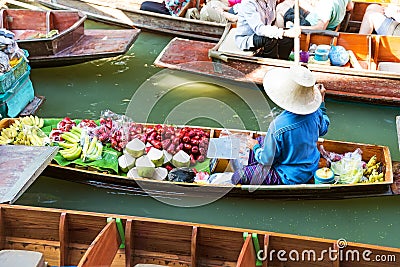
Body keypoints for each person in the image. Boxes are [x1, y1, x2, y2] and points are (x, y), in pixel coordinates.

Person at [231, 66, 330, 185]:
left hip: (290, 175)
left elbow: (267, 160)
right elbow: (323, 129)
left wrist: (256, 147)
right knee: (261, 140)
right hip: (311, 163)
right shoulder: (315, 112)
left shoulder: (278, 126)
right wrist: (322, 103)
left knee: (237, 177)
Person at [235, 0, 300, 59]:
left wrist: (286, 32)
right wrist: (284, 32)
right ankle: (270, 66)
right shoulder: (248, 3)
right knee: (271, 38)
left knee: (288, 38)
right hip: (248, 39)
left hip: (263, 33)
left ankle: (281, 62)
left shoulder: (271, 1)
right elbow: (259, 29)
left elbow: (271, 22)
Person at [279, 0, 353, 31]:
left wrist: (297, 28)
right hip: (324, 19)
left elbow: (320, 28)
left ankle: (282, 39)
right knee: (293, 2)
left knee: (280, 8)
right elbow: (350, 7)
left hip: (310, 26)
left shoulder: (327, 4)